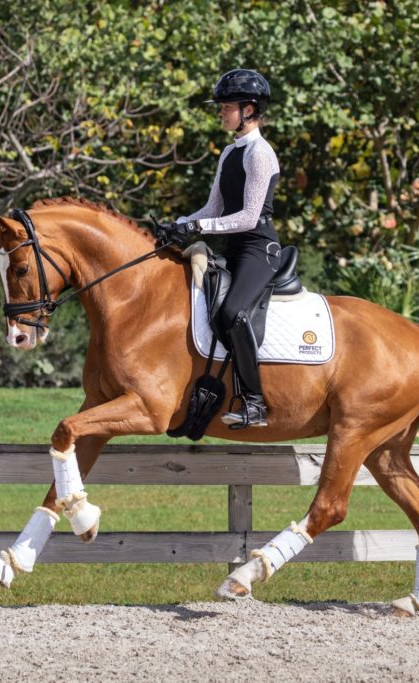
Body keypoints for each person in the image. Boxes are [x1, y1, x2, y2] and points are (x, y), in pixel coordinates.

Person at [159, 68, 281, 429]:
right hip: (233, 246)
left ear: (249, 109)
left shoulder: (260, 154)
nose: (221, 113)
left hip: (259, 249)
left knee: (233, 312)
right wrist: (180, 223)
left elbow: (247, 217)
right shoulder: (230, 152)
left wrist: (200, 227)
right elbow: (213, 209)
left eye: (226, 107)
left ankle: (255, 403)